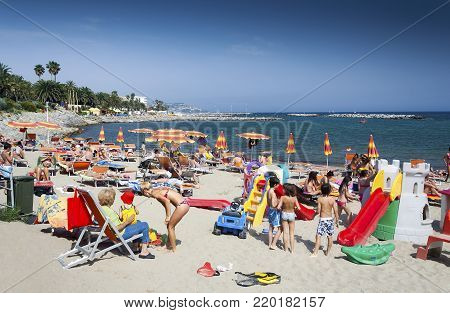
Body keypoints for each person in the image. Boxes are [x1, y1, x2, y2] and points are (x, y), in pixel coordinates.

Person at [98, 188, 154, 259]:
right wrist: (127, 221)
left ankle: (135, 247)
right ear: (110, 200)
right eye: (114, 198)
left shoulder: (101, 209)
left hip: (112, 233)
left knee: (138, 222)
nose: (114, 200)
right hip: (121, 234)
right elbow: (116, 228)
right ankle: (144, 252)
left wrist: (122, 219)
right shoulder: (110, 212)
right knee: (144, 225)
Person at [141, 182, 190, 252]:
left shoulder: (154, 193)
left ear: (145, 190)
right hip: (184, 203)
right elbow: (165, 204)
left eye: (142, 193)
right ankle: (168, 245)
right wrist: (167, 216)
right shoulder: (156, 190)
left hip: (182, 205)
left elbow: (167, 201)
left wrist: (168, 216)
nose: (143, 195)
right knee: (169, 225)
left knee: (171, 227)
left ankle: (174, 249)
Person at [311, 183, 339, 257]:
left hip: (323, 219)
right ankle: (327, 252)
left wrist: (313, 216)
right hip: (330, 220)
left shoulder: (320, 199)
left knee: (318, 236)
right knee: (329, 237)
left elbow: (318, 211)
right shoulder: (332, 199)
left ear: (322, 191)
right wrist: (337, 221)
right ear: (329, 191)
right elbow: (336, 211)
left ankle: (315, 253)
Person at [277, 183, 300, 253]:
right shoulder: (294, 198)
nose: (282, 190)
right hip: (291, 214)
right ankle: (292, 250)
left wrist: (282, 209)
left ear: (286, 190)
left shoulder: (283, 197)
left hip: (284, 213)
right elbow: (299, 208)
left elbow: (278, 207)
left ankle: (286, 249)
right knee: (291, 233)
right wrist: (294, 208)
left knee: (285, 233)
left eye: (283, 189)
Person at [267, 177, 282, 250]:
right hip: (274, 211)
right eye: (278, 185)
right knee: (280, 228)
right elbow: (273, 204)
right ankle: (273, 244)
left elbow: (268, 203)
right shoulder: (273, 193)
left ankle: (270, 244)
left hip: (269, 210)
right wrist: (279, 201)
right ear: (275, 184)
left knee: (270, 228)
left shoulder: (268, 191)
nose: (279, 186)